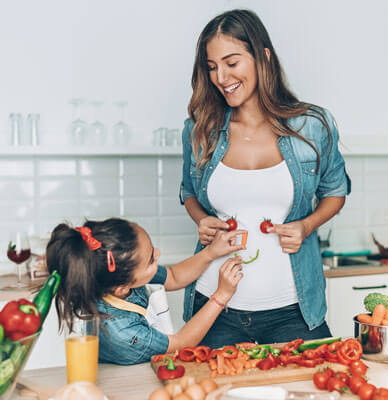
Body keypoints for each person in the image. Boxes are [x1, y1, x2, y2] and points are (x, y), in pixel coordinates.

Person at [180, 9, 351, 348]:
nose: (220, 76)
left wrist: (306, 226)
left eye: (231, 62)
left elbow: (335, 192)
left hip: (293, 311)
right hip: (214, 308)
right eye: (211, 66)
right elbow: (188, 192)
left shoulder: (313, 125)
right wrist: (202, 220)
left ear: (263, 57)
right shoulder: (200, 130)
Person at [46, 217, 245, 365]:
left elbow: (174, 276)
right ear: (122, 287)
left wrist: (211, 252)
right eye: (152, 259)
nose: (158, 254)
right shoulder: (122, 331)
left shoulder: (120, 274)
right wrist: (222, 295)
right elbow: (181, 344)